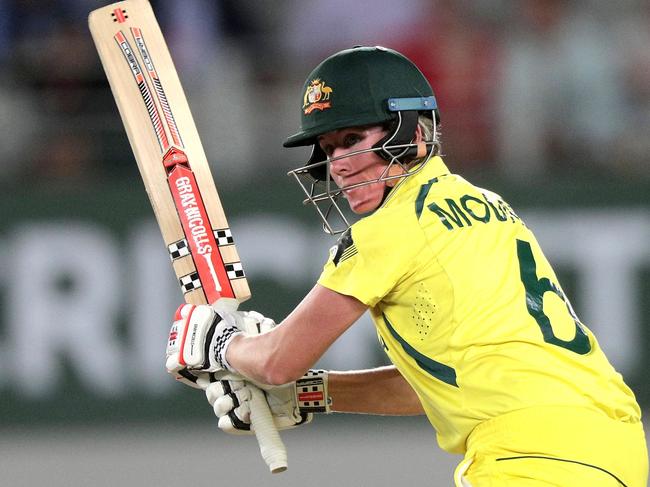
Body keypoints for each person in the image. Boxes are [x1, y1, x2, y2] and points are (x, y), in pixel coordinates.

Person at [165, 46, 648, 485]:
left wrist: (223, 346)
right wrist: (307, 394)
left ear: (414, 132)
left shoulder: (390, 227)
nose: (339, 164)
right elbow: (432, 386)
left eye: (353, 138)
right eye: (330, 148)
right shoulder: (485, 203)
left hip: (529, 458)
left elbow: (277, 360)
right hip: (616, 448)